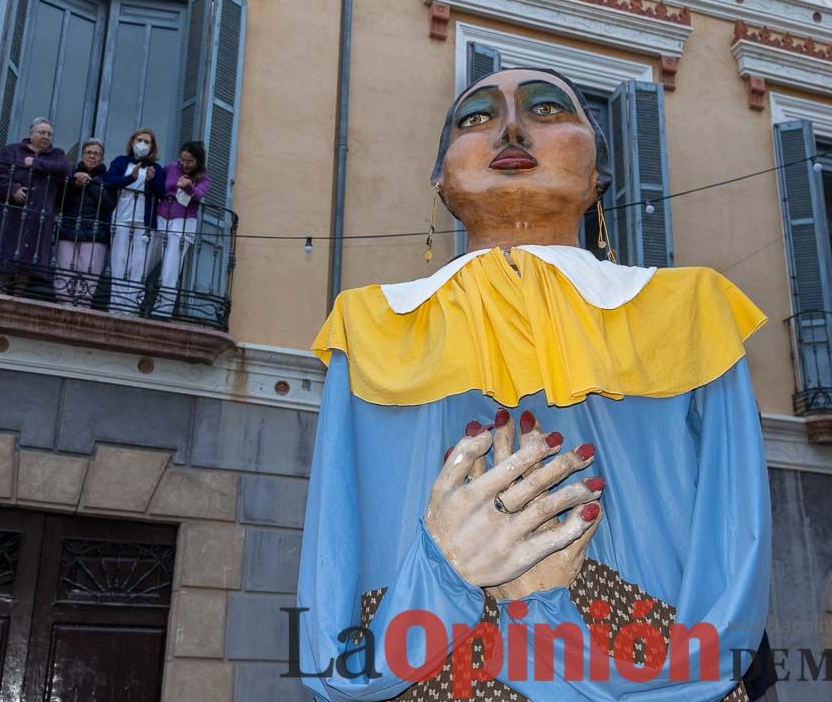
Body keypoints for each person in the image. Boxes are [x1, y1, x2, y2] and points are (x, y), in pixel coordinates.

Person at [297, 69, 771, 701]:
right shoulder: (367, 325)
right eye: (474, 119)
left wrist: (562, 623)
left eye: (548, 111)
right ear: (440, 178)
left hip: (647, 666)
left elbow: (734, 545)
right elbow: (332, 580)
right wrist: (442, 576)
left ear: (599, 174)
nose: (512, 129)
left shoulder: (693, 310)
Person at [0, 117, 70, 295]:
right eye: (42, 132)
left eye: (49, 134)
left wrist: (35, 163)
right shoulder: (11, 151)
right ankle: (2, 289)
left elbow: (64, 169)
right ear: (31, 133)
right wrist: (13, 189)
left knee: (30, 255)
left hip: (39, 214)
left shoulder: (57, 154)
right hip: (12, 214)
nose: (46, 136)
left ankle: (19, 293)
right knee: (6, 251)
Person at [103, 128, 165, 314]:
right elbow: (109, 181)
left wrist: (152, 181)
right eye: (140, 140)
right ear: (132, 142)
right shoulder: (120, 162)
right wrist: (131, 177)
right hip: (121, 218)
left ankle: (130, 310)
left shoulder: (156, 168)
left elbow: (162, 192)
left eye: (147, 142)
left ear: (152, 147)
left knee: (137, 267)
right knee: (118, 262)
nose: (143, 144)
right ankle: (116, 308)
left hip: (144, 223)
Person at [150, 141, 211, 317]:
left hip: (182, 223)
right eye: (182, 160)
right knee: (144, 260)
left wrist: (188, 186)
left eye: (189, 161)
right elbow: (158, 186)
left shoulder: (204, 178)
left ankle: (162, 312)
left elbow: (199, 195)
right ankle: (128, 303)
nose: (184, 164)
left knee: (170, 268)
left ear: (198, 162)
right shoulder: (170, 168)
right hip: (161, 217)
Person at [55, 138, 115, 307]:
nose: (92, 156)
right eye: (89, 152)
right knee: (64, 270)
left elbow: (108, 204)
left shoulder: (108, 178)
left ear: (102, 158)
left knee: (89, 274)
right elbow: (60, 201)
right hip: (68, 229)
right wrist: (74, 184)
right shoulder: (71, 175)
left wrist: (89, 184)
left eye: (96, 154)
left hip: (96, 234)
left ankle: (83, 307)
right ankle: (63, 305)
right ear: (82, 155)